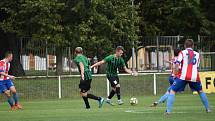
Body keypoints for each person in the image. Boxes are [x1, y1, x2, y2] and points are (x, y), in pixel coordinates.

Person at [165, 39, 211, 114]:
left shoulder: (182, 53)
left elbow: (177, 64)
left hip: (183, 76)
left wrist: (176, 74)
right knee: (200, 91)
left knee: (172, 91)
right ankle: (208, 109)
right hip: (194, 76)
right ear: (193, 46)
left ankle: (168, 111)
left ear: (184, 46)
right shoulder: (198, 54)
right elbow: (197, 66)